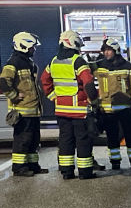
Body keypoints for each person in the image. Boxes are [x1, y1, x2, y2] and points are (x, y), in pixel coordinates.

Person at [40, 30, 99, 179]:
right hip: (79, 111)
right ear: (73, 43)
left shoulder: (53, 61)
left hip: (61, 111)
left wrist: (54, 98)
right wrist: (94, 102)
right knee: (82, 141)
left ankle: (66, 172)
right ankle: (85, 172)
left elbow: (44, 81)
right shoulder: (78, 61)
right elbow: (89, 84)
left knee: (65, 141)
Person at [0, 31, 48, 176]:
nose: (34, 50)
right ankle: (19, 168)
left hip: (32, 110)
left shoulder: (28, 63)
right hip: (22, 111)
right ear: (24, 46)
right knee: (22, 140)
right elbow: (4, 83)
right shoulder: (13, 63)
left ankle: (33, 165)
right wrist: (14, 96)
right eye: (32, 47)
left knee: (33, 140)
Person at [93, 36, 131, 170]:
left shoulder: (127, 66)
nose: (106, 53)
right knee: (112, 137)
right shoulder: (99, 66)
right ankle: (115, 162)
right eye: (105, 50)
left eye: (109, 50)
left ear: (116, 50)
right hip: (107, 110)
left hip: (126, 108)